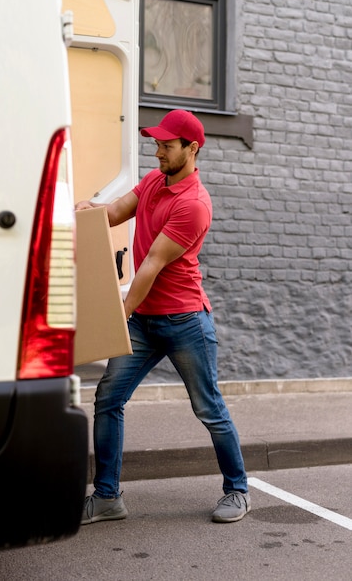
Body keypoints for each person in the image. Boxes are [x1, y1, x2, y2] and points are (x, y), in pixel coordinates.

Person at [76, 109, 250, 525]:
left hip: (184, 321)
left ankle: (238, 490)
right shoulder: (155, 180)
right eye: (156, 143)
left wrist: (117, 315)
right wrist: (88, 210)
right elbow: (117, 212)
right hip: (144, 319)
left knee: (208, 408)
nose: (157, 152)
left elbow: (151, 264)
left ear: (191, 149)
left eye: (166, 145)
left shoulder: (194, 204)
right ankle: (106, 497)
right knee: (109, 399)